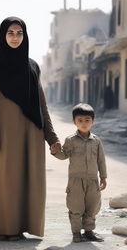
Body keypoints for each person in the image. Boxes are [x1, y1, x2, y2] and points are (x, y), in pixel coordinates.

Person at [0, 16, 60, 241]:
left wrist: (51, 136)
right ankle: (5, 228)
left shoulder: (32, 66)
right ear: (2, 35)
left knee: (29, 180)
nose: (15, 37)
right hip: (5, 134)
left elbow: (41, 104)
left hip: (31, 134)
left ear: (25, 36)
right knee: (5, 179)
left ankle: (23, 226)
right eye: (10, 33)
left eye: (19, 33)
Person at [50, 103, 107, 243]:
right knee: (76, 207)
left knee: (92, 207)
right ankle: (76, 233)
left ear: (93, 121)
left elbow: (101, 160)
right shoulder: (70, 140)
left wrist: (103, 177)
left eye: (87, 120)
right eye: (80, 120)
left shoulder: (97, 141)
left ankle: (89, 232)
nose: (84, 123)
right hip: (76, 181)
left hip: (93, 180)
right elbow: (64, 156)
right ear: (74, 122)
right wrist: (55, 152)